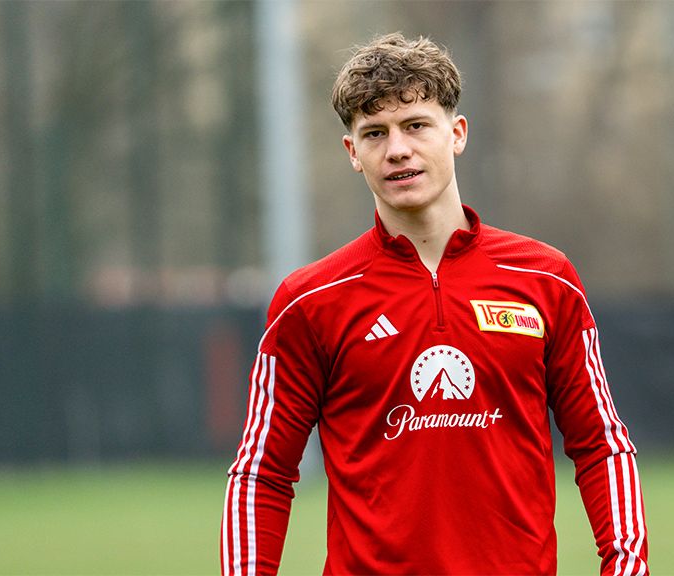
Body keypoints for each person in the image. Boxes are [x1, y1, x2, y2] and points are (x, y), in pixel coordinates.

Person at [221, 33, 648, 576]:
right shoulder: (309, 301)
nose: (397, 149)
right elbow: (261, 472)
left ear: (457, 133)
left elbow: (602, 446)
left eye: (416, 125)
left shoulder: (546, 279)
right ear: (353, 153)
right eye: (374, 133)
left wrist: (627, 565)